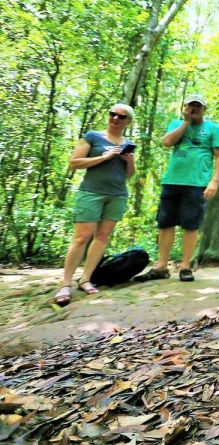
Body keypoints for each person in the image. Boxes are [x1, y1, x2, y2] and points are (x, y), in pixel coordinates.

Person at [55, 104, 136, 306]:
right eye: (113, 114)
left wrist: (129, 160)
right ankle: (65, 284)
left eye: (121, 116)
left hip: (117, 194)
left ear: (128, 121)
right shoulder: (92, 136)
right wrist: (105, 156)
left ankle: (86, 279)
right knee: (82, 237)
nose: (116, 118)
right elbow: (75, 162)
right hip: (91, 192)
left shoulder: (129, 143)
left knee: (102, 237)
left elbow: (129, 175)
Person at [140, 94, 219, 282]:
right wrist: (186, 123)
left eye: (198, 106)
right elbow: (167, 142)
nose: (194, 109)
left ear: (204, 109)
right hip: (172, 181)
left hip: (196, 183)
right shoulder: (175, 124)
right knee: (165, 223)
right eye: (191, 106)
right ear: (184, 108)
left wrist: (214, 181)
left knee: (190, 224)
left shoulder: (213, 128)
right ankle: (161, 266)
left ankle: (186, 266)